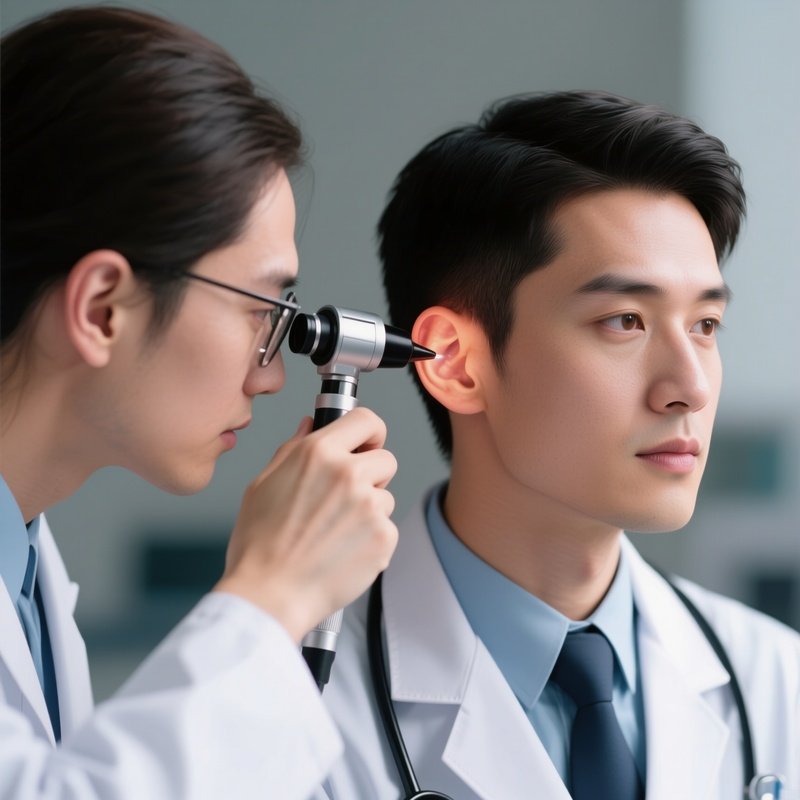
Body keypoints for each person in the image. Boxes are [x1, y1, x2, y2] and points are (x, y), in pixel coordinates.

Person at [320, 91, 800, 800]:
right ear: (453, 360)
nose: (690, 387)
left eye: (704, 325)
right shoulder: (299, 706)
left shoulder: (779, 684)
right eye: (625, 321)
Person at [0, 7, 399, 799]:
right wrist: (272, 592)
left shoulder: (27, 569)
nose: (271, 374)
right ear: (102, 309)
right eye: (262, 311)